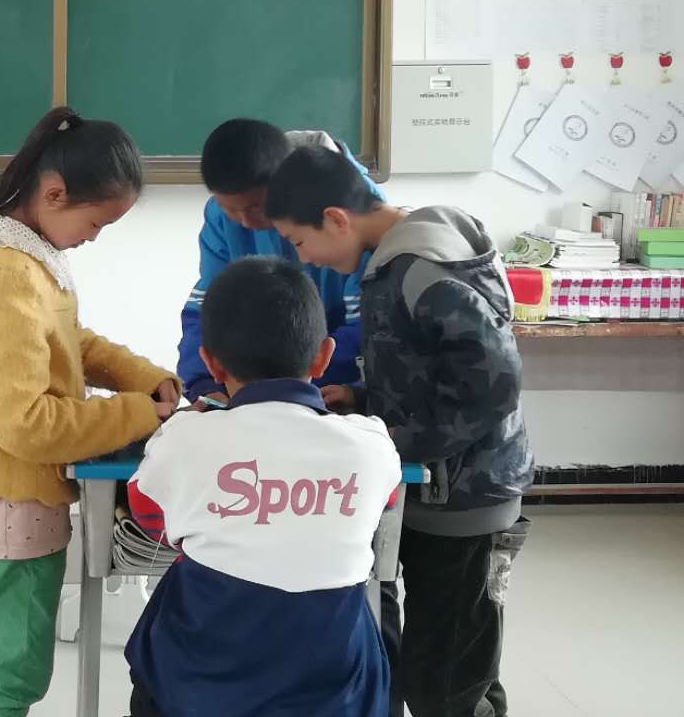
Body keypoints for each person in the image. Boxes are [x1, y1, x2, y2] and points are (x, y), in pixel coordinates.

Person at [266, 146, 533, 717]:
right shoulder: (397, 262)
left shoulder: (420, 269)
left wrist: (393, 441)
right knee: (448, 663)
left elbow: (493, 385)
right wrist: (363, 399)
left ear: (335, 218)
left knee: (447, 682)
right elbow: (434, 371)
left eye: (299, 241)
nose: (303, 257)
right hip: (438, 489)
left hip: (466, 500)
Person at [0, 105, 180, 717]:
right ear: (54, 193)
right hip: (10, 502)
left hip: (10, 496)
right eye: (95, 223)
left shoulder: (26, 254)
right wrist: (138, 414)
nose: (94, 237)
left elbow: (70, 342)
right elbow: (27, 423)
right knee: (12, 677)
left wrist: (146, 379)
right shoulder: (8, 274)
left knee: (13, 669)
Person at [126, 257, 402, 717]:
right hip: (334, 693)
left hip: (200, 689)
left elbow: (150, 516)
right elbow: (382, 502)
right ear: (323, 356)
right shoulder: (370, 443)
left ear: (211, 362)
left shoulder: (184, 438)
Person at [177, 119, 382, 405]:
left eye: (256, 208)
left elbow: (369, 326)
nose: (246, 222)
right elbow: (210, 308)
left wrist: (292, 387)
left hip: (330, 388)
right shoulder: (220, 216)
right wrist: (205, 382)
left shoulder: (352, 205)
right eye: (230, 210)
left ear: (285, 185)